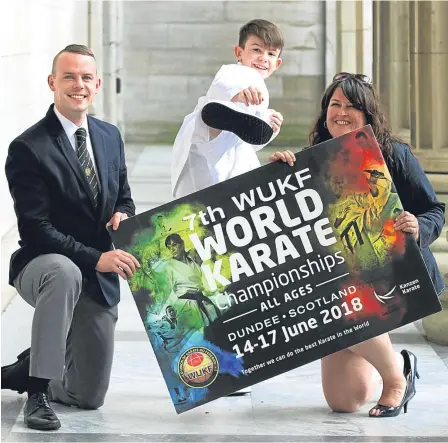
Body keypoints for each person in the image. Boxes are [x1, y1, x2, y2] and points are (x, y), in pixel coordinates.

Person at [1, 44, 140, 431]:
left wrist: (122, 213)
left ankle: (26, 366)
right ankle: (38, 391)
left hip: (96, 275)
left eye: (85, 77)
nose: (78, 85)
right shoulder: (29, 147)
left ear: (96, 84)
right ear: (52, 83)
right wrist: (96, 258)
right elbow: (36, 229)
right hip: (44, 264)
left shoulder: (110, 136)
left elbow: (123, 194)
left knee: (88, 396)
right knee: (64, 273)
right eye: (68, 76)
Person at [305, 72, 446, 417]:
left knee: (348, 302)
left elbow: (434, 209)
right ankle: (397, 361)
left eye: (351, 106)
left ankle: (396, 381)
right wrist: (280, 172)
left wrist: (417, 226)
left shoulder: (393, 153)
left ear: (367, 113)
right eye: (335, 104)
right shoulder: (312, 159)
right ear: (325, 112)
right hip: (339, 272)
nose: (341, 112)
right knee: (345, 401)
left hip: (390, 273)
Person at [171, 18, 296, 200]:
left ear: (277, 63)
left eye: (271, 54)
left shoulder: (259, 90)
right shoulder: (234, 73)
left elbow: (249, 142)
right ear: (239, 53)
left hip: (228, 152)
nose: (263, 58)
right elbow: (221, 86)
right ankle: (222, 115)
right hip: (208, 131)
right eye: (256, 50)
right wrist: (236, 95)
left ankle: (228, 117)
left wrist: (270, 127)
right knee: (209, 127)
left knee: (223, 182)